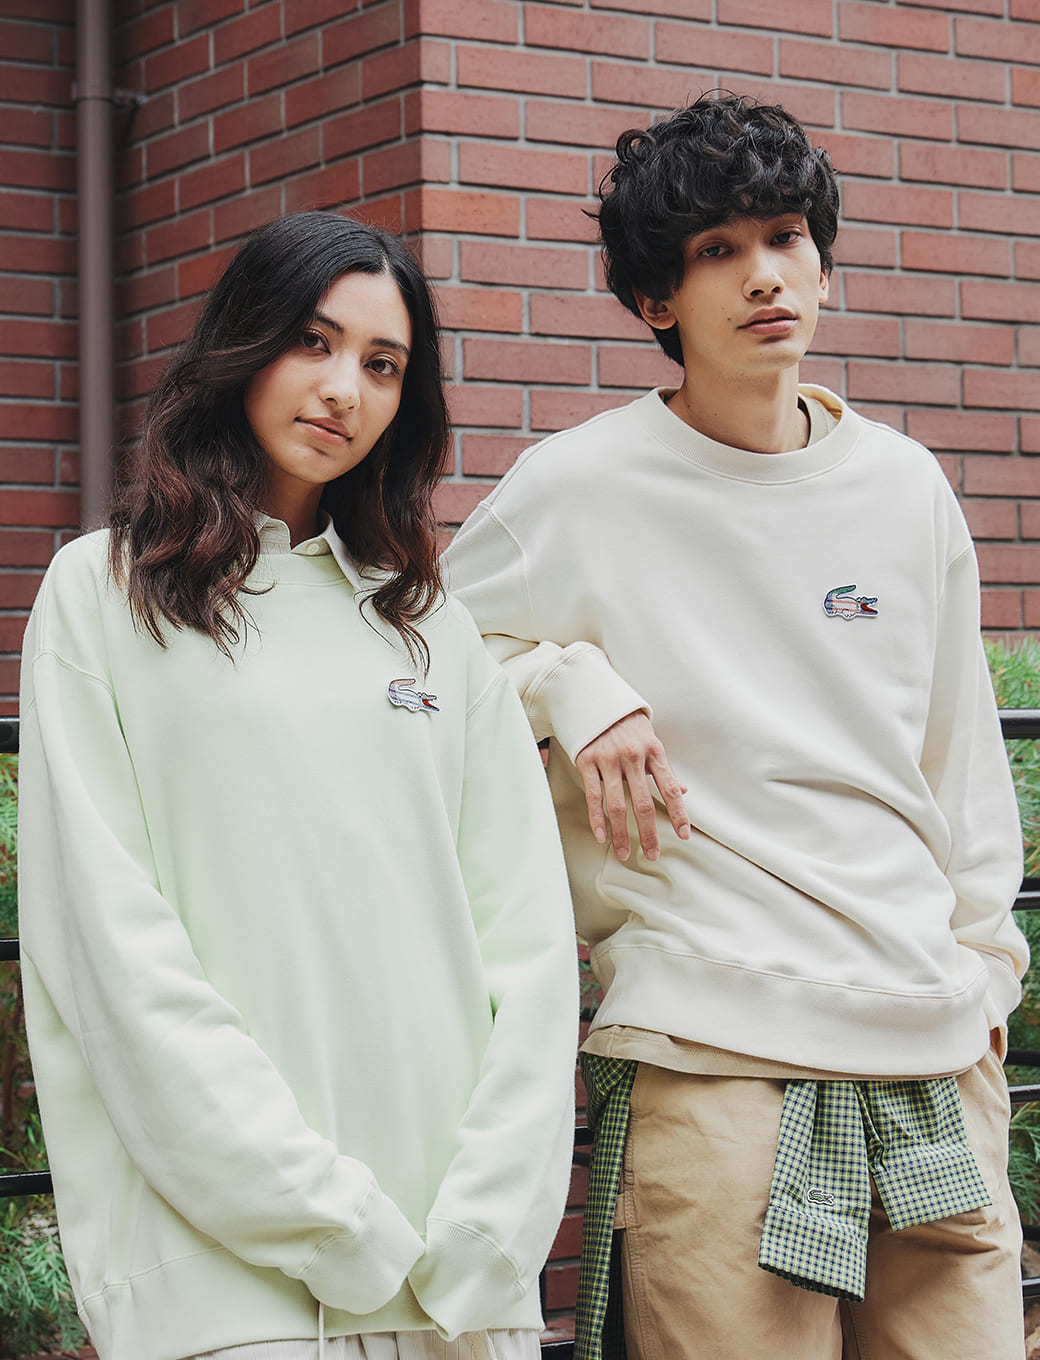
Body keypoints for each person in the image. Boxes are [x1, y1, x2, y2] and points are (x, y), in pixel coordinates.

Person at [444, 95, 1029, 1360]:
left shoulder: (904, 486)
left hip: (934, 1053)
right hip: (714, 1057)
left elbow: (960, 761)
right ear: (654, 299)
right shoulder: (577, 487)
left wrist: (985, 978)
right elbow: (418, 661)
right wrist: (565, 684)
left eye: (783, 237)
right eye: (716, 250)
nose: (763, 275)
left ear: (819, 261)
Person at [18, 211, 578, 1360]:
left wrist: (485, 1228)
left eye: (382, 365)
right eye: (312, 343)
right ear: (242, 343)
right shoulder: (102, 594)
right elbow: (111, 950)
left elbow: (526, 945)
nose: (342, 390)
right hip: (224, 1281)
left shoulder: (430, 629)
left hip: (452, 1280)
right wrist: (323, 1216)